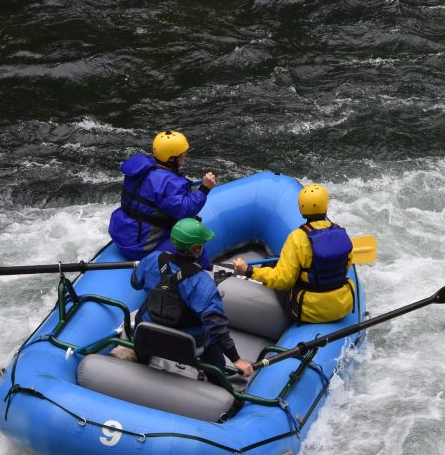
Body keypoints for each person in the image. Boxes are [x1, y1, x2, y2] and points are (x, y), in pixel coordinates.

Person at [130, 218, 254, 378]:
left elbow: (135, 283)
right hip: (184, 340)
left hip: (149, 327)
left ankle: (141, 356)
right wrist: (236, 359)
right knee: (211, 337)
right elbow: (216, 324)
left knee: (147, 303)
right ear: (196, 249)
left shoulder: (153, 258)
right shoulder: (201, 281)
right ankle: (217, 378)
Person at [232, 184, 354, 324]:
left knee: (272, 264)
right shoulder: (341, 232)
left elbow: (283, 280)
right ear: (325, 205)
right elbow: (347, 264)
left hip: (310, 311)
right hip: (343, 305)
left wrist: (249, 271)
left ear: (302, 210)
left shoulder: (297, 237)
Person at [108, 130, 217, 267]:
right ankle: (206, 274)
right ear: (171, 159)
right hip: (141, 247)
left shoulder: (140, 169)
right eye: (182, 153)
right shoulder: (168, 183)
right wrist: (204, 188)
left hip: (122, 235)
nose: (185, 155)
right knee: (195, 246)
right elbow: (185, 210)